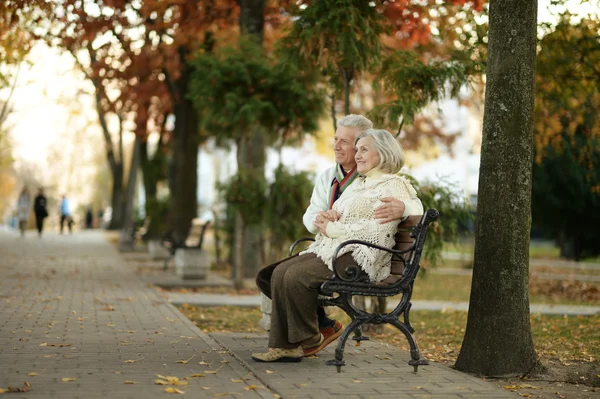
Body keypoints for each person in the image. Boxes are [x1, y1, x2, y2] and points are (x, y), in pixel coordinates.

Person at [256, 115, 423, 355]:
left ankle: (295, 342)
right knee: (279, 273)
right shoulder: (357, 183)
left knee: (294, 276)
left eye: (362, 149)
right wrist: (326, 218)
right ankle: (300, 339)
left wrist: (337, 229)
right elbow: (335, 213)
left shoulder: (393, 184)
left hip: (360, 256)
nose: (356, 154)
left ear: (383, 153)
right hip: (335, 248)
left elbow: (378, 229)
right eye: (356, 149)